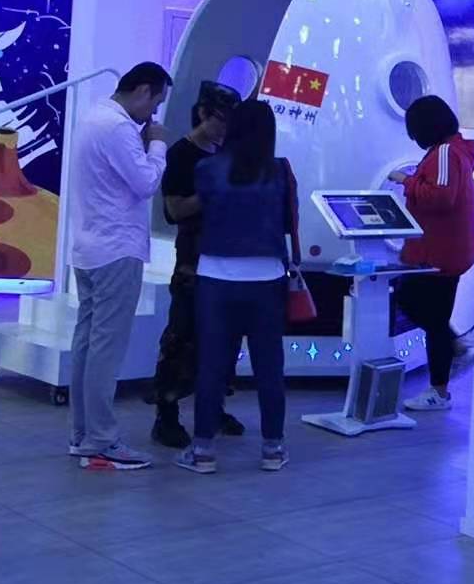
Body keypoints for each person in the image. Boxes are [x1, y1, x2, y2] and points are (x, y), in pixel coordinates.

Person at [173, 99, 300, 475]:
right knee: (269, 367)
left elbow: (199, 212)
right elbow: (287, 221)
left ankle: (203, 450)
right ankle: (273, 448)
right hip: (267, 279)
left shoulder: (207, 168)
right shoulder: (280, 171)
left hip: (216, 277)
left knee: (212, 364)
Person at [67, 62, 171, 470]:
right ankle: (101, 438)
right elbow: (146, 183)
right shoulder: (118, 127)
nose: (153, 115)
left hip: (90, 247)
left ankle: (83, 433)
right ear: (143, 91)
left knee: (87, 344)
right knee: (105, 350)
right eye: (155, 103)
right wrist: (157, 146)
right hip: (116, 250)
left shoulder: (94, 117)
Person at [151, 81, 243, 449]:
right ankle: (166, 415)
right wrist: (214, 193)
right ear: (203, 113)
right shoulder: (180, 155)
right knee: (181, 336)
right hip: (193, 259)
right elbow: (174, 209)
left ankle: (214, 407)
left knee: (224, 337)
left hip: (227, 257)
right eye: (221, 120)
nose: (225, 128)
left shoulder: (229, 153)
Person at [388, 95, 474, 412]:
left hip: (439, 253)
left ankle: (442, 382)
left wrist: (407, 181)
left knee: (420, 309)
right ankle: (445, 373)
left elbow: (440, 197)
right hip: (451, 250)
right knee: (433, 317)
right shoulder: (457, 151)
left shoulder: (444, 153)